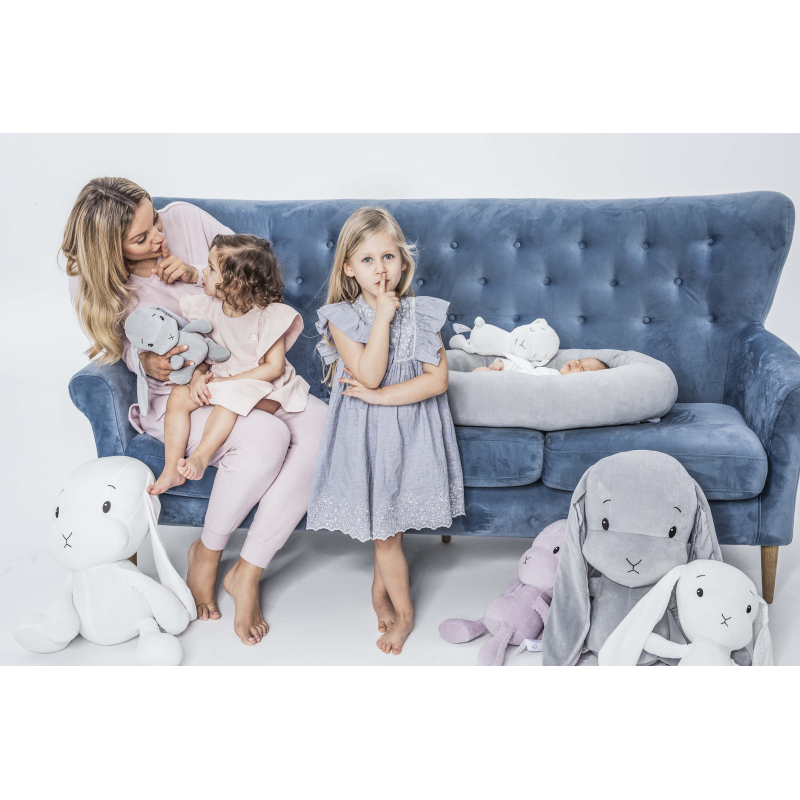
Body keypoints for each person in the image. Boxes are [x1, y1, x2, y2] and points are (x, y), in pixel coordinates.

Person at [63, 178, 327, 645]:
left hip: (243, 374)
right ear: (110, 250)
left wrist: (193, 274)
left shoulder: (185, 218)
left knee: (325, 429)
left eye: (155, 222)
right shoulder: (95, 280)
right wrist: (146, 361)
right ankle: (207, 551)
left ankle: (248, 569)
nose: (158, 237)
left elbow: (247, 277)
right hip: (181, 397)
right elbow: (120, 346)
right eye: (141, 238)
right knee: (265, 436)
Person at [307, 207, 465, 656]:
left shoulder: (420, 314)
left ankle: (392, 602)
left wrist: (380, 399)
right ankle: (398, 606)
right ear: (349, 268)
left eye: (388, 257)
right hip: (366, 438)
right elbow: (370, 373)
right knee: (384, 531)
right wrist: (381, 318)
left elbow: (437, 381)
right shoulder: (342, 317)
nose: (380, 269)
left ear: (402, 261)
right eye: (368, 260)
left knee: (388, 527)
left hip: (410, 433)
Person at [149, 234, 309, 492]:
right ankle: (171, 470)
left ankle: (201, 457)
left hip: (264, 386)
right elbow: (205, 353)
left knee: (230, 399)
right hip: (223, 378)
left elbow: (274, 368)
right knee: (179, 395)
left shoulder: (267, 315)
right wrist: (198, 377)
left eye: (211, 268)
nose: (203, 271)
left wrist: (228, 382)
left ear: (234, 283)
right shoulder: (210, 309)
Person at [471, 356, 609, 374]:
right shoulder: (551, 372)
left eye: (583, 368)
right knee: (481, 372)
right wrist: (503, 364)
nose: (577, 363)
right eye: (581, 360)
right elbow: (526, 369)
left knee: (481, 373)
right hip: (508, 378)